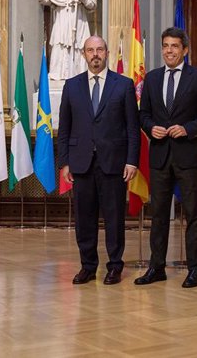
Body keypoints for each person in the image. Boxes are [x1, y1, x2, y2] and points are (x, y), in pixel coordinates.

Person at [134, 27, 197, 288]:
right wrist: (150, 127)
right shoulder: (152, 79)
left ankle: (195, 271)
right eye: (165, 46)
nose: (169, 50)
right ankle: (156, 268)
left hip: (189, 156)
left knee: (193, 216)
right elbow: (143, 114)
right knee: (158, 215)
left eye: (174, 46)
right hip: (160, 157)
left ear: (185, 50)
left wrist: (188, 129)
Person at [57, 35, 140, 285]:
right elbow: (65, 128)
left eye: (100, 49)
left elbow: (132, 128)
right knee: (84, 219)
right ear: (84, 54)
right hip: (81, 163)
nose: (95, 54)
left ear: (107, 53)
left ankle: (115, 266)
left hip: (114, 163)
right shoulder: (71, 86)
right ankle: (88, 266)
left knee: (114, 218)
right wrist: (64, 163)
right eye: (90, 50)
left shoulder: (124, 85)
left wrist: (132, 161)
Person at [36, 0, 97, 81]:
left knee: (78, 45)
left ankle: (79, 74)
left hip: (77, 21)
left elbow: (93, 4)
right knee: (60, 44)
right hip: (62, 21)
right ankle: (58, 73)